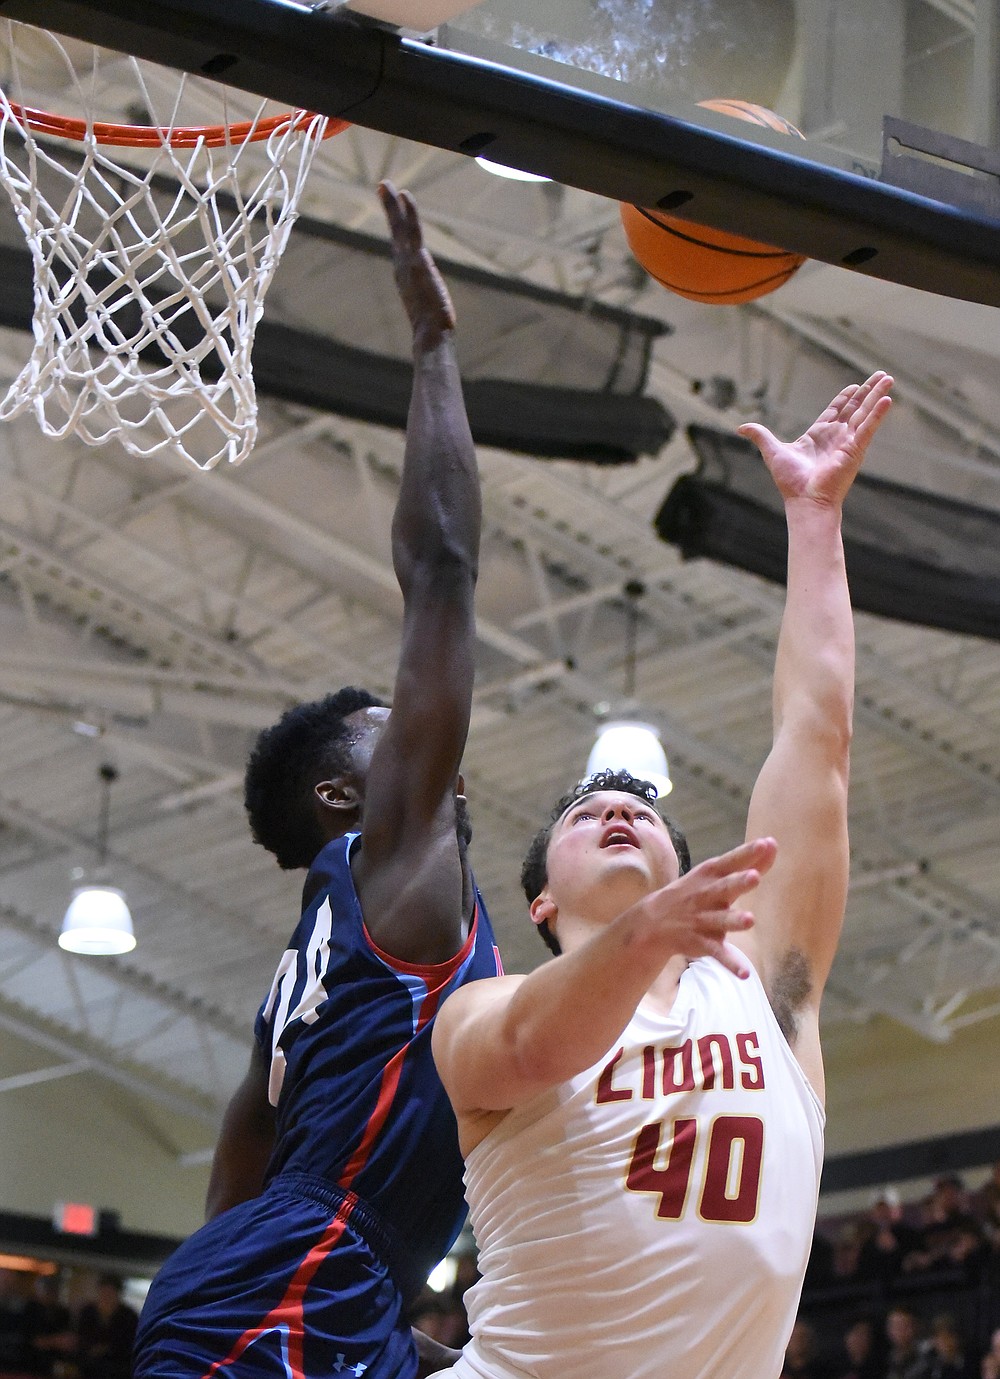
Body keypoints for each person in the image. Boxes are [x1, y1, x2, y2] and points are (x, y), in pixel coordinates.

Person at [431, 372, 894, 1379]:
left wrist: (814, 514)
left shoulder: (767, 995)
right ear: (540, 901)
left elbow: (817, 738)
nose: (614, 808)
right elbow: (523, 1043)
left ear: (686, 870)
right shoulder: (480, 1007)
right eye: (580, 815)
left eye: (639, 811)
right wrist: (644, 933)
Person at [132, 183, 501, 1379]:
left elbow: (232, 1200)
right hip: (301, 1279)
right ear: (344, 796)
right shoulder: (389, 873)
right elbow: (439, 569)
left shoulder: (301, 993)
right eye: (388, 728)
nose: (423, 734)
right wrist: (436, 347)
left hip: (299, 1284)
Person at [77, 1274, 138, 1379]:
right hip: (88, 1370)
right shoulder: (88, 1313)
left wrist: (107, 1350)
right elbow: (80, 1341)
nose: (106, 1297)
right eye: (103, 1293)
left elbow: (129, 1346)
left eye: (110, 1294)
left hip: (118, 1371)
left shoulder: (129, 1317)